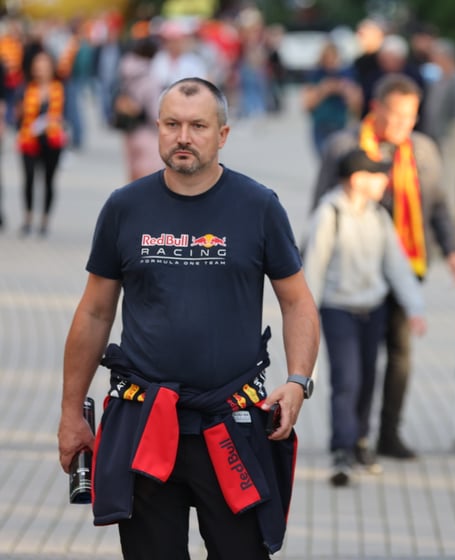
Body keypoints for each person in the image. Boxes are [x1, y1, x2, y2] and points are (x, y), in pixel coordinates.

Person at [57, 77, 320, 558]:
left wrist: (298, 380)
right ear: (156, 129)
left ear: (222, 135)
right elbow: (95, 311)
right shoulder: (124, 207)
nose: (183, 137)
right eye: (172, 124)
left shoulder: (258, 207)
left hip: (231, 425)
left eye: (198, 125)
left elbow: (298, 301)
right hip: (145, 421)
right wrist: (71, 412)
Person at [311, 73, 455, 459]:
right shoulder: (344, 145)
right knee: (357, 363)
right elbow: (321, 207)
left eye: (410, 117)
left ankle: (388, 433)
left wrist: (453, 251)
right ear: (376, 108)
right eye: (396, 115)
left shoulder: (424, 150)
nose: (403, 125)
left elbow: (440, 206)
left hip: (406, 263)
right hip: (354, 271)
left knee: (399, 354)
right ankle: (351, 436)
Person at [304, 148, 426, 486]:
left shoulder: (378, 215)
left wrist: (415, 308)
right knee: (347, 380)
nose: (383, 179)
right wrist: (307, 319)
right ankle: (341, 447)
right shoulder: (329, 214)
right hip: (338, 309)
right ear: (357, 179)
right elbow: (312, 268)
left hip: (373, 310)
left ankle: (360, 441)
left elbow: (397, 265)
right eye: (376, 174)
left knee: (369, 378)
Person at [16, 50, 65, 236]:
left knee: (48, 180)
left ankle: (44, 220)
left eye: (45, 67)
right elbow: (18, 115)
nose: (41, 71)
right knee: (28, 178)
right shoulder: (26, 88)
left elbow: (65, 116)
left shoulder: (59, 89)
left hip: (52, 141)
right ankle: (28, 218)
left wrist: (54, 121)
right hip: (29, 139)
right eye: (38, 67)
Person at [301, 41, 361, 158]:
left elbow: (357, 105)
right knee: (325, 160)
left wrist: (345, 91)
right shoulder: (316, 75)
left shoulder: (346, 75)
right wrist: (323, 89)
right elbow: (307, 104)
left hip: (341, 125)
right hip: (321, 125)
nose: (331, 62)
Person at [115, 37, 162, 181]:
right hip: (147, 132)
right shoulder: (150, 78)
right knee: (148, 180)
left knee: (133, 177)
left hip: (130, 129)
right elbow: (154, 112)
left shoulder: (125, 69)